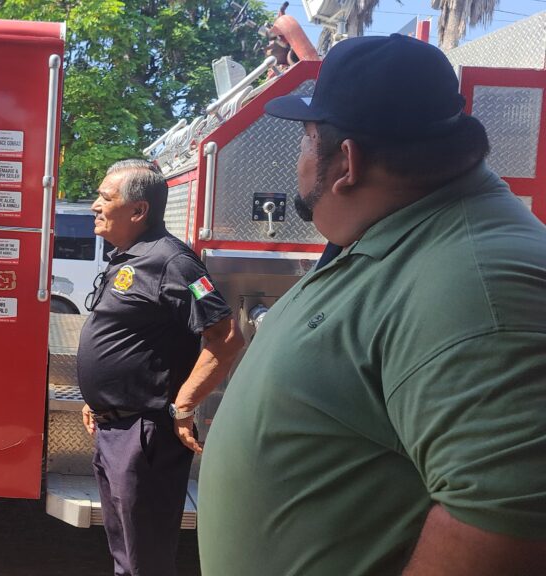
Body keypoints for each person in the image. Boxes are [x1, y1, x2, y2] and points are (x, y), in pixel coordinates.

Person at [198, 35, 546, 575]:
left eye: (307, 140)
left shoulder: (478, 286)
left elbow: (506, 528)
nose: (299, 161)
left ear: (346, 162)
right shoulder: (405, 235)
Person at [76, 159, 243, 576]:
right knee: (125, 555)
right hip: (114, 428)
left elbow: (225, 335)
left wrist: (184, 405)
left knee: (145, 559)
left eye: (105, 197)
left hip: (144, 436)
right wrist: (97, 399)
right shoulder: (128, 257)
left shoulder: (173, 262)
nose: (95, 205)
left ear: (138, 211)